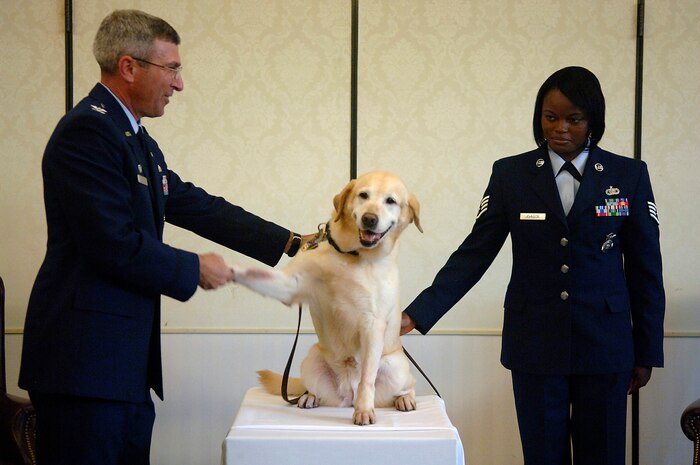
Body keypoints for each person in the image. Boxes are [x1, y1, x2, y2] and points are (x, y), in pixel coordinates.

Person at [18, 9, 312, 465]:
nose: (179, 84)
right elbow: (111, 243)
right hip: (83, 366)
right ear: (129, 66)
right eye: (171, 69)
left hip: (122, 368)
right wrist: (193, 268)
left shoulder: (135, 138)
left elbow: (192, 203)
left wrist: (292, 242)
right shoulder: (87, 132)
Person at [401, 66, 664, 465]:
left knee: (604, 454)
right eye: (550, 117)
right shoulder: (511, 174)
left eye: (573, 119)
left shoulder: (628, 175)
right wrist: (416, 313)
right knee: (542, 456)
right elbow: (475, 252)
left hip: (606, 346)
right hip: (535, 345)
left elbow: (646, 268)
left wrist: (647, 350)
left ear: (593, 120)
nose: (560, 128)